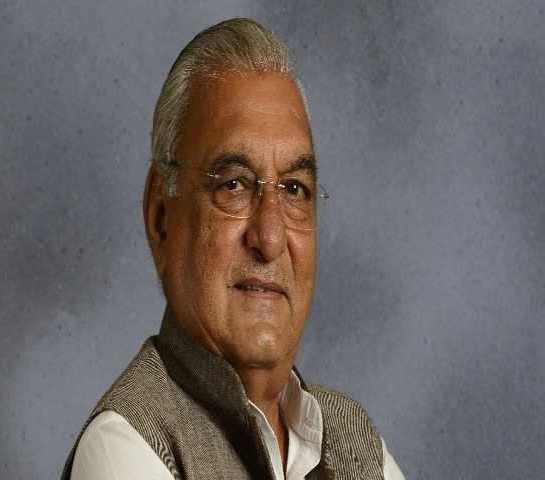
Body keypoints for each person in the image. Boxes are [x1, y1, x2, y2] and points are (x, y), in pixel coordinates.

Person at [62, 18, 405, 480]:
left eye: (295, 189)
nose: (271, 238)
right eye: (234, 185)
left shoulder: (359, 447)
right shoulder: (124, 447)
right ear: (161, 217)